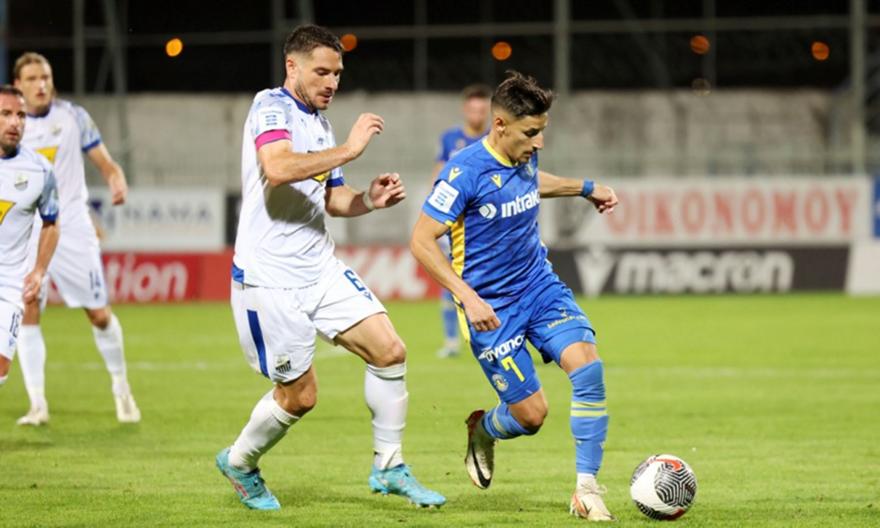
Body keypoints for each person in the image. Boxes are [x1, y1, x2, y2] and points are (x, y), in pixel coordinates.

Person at [216, 24, 445, 511]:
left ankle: (389, 466)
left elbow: (332, 198)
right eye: (322, 72)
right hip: (269, 280)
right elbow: (278, 167)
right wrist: (353, 149)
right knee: (300, 397)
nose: (332, 82)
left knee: (390, 351)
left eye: (338, 73)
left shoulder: (321, 125)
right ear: (292, 67)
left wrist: (369, 199)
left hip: (319, 268)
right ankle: (239, 461)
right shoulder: (271, 106)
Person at [410, 71, 620, 521]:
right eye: (531, 132)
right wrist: (468, 298)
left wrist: (585, 188)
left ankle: (587, 489)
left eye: (542, 131)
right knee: (531, 417)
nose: (539, 142)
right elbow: (421, 240)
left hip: (539, 287)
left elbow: (531, 181)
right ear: (500, 125)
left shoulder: (523, 154)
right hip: (491, 309)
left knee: (588, 368)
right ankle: (484, 429)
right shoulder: (464, 172)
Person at [12, 52, 139, 426]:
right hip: (27, 231)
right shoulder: (11, 125)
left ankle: (121, 388)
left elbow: (105, 161)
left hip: (71, 228)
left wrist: (115, 177)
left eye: (46, 77)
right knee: (27, 307)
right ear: (18, 85)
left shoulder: (73, 117)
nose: (41, 84)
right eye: (32, 78)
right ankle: (37, 404)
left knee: (98, 315)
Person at [0, 85, 59, 392]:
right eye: (6, 114)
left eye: (21, 115)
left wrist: (38, 270)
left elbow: (51, 223)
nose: (15, 122)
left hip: (10, 284)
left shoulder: (40, 170)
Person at [431, 84, 491, 358]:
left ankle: (497, 337)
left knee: (490, 280)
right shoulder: (450, 139)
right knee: (452, 278)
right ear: (465, 110)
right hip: (456, 224)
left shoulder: (494, 139)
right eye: (473, 109)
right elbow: (438, 175)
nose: (477, 114)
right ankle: (451, 341)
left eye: (482, 109)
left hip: (487, 223)